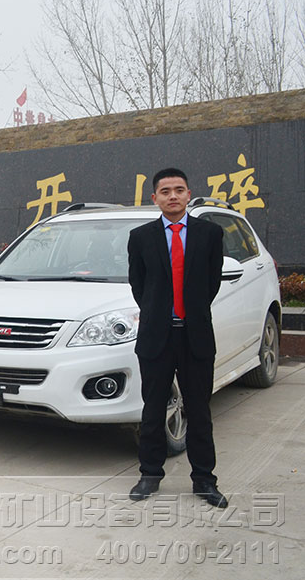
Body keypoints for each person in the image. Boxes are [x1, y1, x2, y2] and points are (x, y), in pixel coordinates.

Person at [127, 168, 227, 508]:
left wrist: (190, 312)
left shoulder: (209, 234)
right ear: (154, 198)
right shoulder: (141, 237)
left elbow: (211, 282)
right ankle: (150, 474)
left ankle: (204, 480)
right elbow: (139, 285)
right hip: (156, 337)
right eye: (166, 191)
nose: (173, 196)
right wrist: (159, 313)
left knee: (199, 410)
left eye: (179, 190)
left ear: (188, 194)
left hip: (195, 335)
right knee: (153, 409)